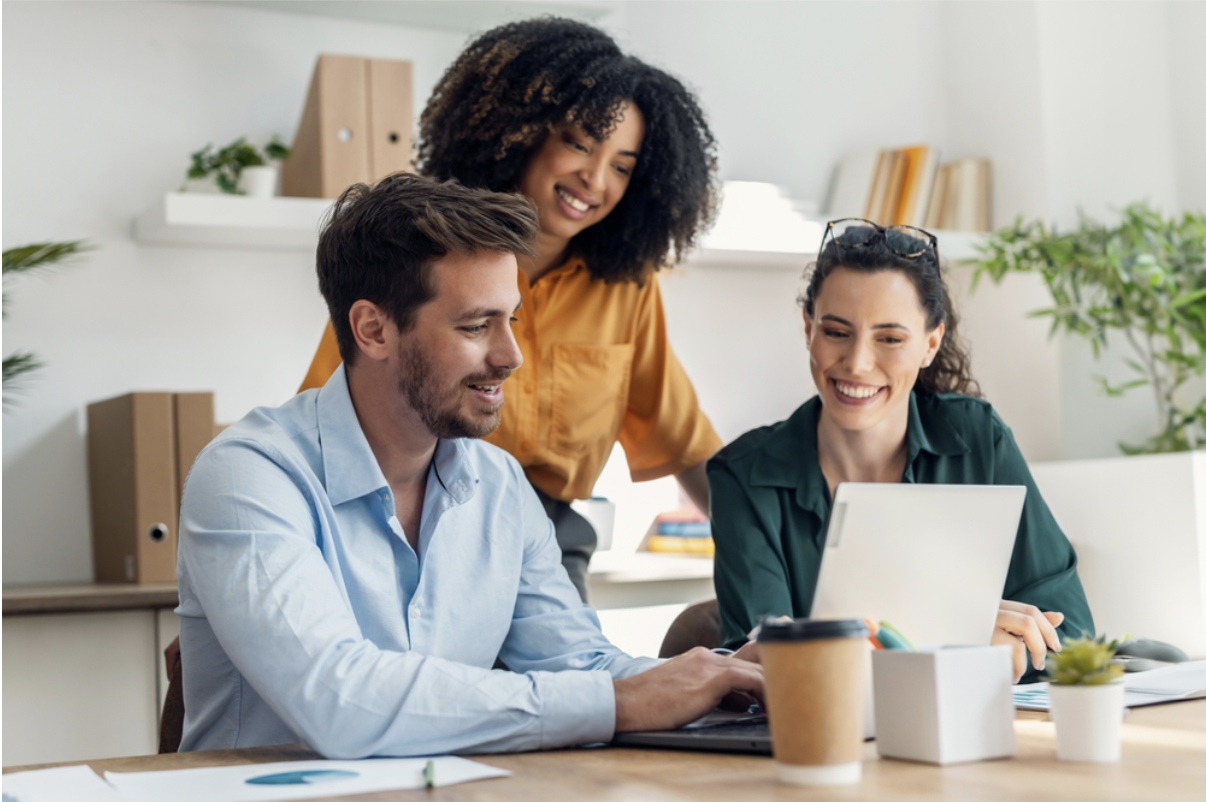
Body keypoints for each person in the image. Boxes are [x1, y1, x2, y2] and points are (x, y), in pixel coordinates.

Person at [176, 174, 761, 757]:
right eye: (476, 326)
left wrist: (720, 679)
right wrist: (618, 703)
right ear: (373, 329)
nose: (511, 356)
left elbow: (579, 662)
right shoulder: (248, 477)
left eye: (512, 320)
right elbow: (340, 698)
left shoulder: (500, 485)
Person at [299, 18, 723, 600]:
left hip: (547, 542)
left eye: (622, 165)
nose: (595, 178)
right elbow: (324, 422)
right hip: (408, 526)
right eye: (578, 143)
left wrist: (781, 564)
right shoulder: (417, 253)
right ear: (519, 133)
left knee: (580, 685)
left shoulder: (628, 288)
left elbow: (685, 443)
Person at [707, 219, 1094, 684]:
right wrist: (960, 642)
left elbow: (1070, 634)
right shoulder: (743, 476)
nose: (857, 363)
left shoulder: (978, 440)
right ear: (808, 327)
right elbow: (762, 671)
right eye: (836, 332)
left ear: (931, 344)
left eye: (889, 339)